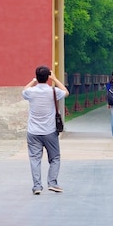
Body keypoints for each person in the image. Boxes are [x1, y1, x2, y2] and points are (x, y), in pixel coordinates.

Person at [22, 66, 69, 194]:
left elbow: (24, 90)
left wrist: (33, 81)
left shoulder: (30, 92)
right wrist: (55, 79)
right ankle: (52, 182)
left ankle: (37, 186)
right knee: (55, 158)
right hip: (49, 131)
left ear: (37, 77)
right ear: (48, 77)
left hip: (33, 132)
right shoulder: (53, 91)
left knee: (35, 159)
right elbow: (66, 91)